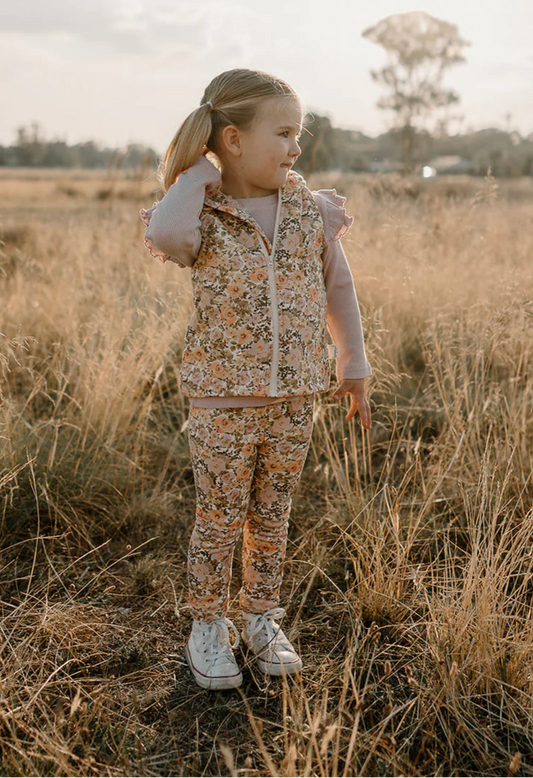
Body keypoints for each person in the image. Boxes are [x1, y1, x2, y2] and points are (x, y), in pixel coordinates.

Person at [140, 68, 372, 691]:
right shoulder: (202, 211)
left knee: (273, 513)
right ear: (234, 139)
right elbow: (164, 236)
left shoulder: (308, 208)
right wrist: (197, 173)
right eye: (285, 132)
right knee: (219, 515)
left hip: (297, 396)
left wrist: (353, 363)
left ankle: (260, 615)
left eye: (300, 132)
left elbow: (338, 288)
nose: (297, 146)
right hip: (223, 400)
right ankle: (207, 624)